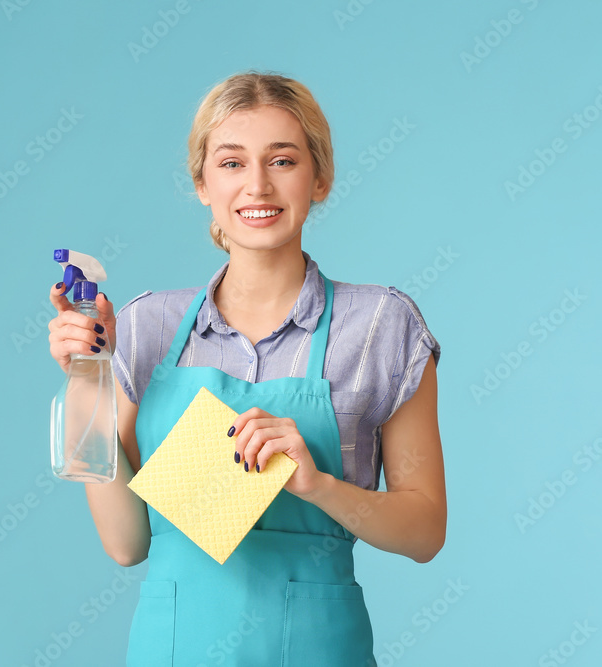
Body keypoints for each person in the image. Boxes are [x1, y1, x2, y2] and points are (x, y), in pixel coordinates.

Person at [47, 71, 445, 666]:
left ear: (321, 177)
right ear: (202, 182)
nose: (257, 186)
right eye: (231, 163)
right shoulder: (146, 327)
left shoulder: (381, 326)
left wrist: (320, 487)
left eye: (282, 161)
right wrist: (87, 376)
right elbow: (128, 543)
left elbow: (425, 532)